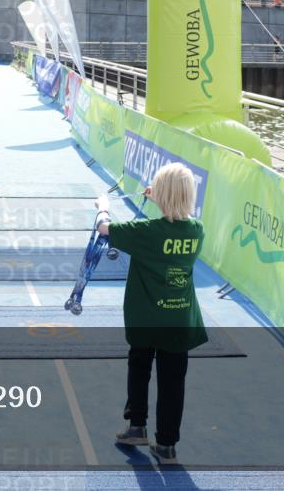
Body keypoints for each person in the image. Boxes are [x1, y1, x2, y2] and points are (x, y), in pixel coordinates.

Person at [95, 162, 206, 465]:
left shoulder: (147, 232)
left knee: (139, 366)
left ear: (163, 194)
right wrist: (161, 198)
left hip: (146, 315)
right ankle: (167, 444)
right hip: (179, 318)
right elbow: (173, 226)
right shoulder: (197, 230)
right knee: (173, 382)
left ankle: (136, 426)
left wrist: (103, 207)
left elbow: (104, 228)